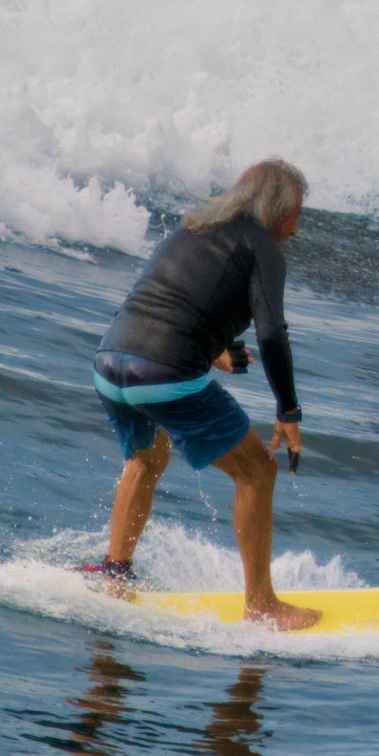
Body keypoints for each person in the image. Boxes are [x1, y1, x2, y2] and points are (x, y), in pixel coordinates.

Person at [79, 158, 320, 631]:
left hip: (109, 364)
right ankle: (262, 605)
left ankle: (115, 575)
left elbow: (179, 296)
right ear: (276, 210)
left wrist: (220, 350)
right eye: (297, 212)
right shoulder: (263, 246)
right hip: (163, 372)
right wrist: (288, 410)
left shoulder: (193, 227)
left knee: (145, 460)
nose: (299, 224)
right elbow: (272, 333)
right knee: (257, 472)